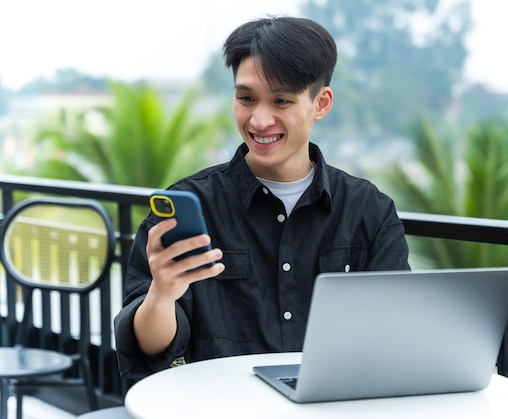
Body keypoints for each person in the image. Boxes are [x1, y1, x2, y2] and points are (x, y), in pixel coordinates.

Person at [114, 16, 410, 383]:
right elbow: (148, 349)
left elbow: (394, 336)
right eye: (246, 98)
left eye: (281, 100)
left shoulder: (370, 211)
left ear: (321, 103)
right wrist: (161, 294)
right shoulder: (191, 203)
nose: (259, 119)